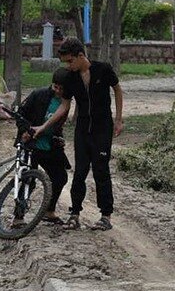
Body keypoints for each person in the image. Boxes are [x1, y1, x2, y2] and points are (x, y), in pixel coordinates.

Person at [32, 37, 123, 231]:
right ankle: (75, 214)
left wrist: (119, 119)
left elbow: (117, 89)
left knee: (101, 170)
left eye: (70, 61)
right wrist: (43, 126)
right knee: (79, 172)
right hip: (82, 129)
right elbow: (64, 106)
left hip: (102, 127)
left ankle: (105, 215)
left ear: (81, 56)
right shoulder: (70, 78)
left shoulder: (103, 69)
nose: (68, 65)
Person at [19, 68, 72, 225]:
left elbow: (58, 126)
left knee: (60, 177)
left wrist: (59, 138)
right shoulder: (39, 95)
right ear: (52, 84)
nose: (58, 92)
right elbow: (21, 114)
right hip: (31, 145)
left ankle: (49, 211)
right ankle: (18, 217)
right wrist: (25, 131)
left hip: (50, 146)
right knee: (28, 180)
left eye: (62, 89)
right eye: (56, 88)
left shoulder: (66, 102)